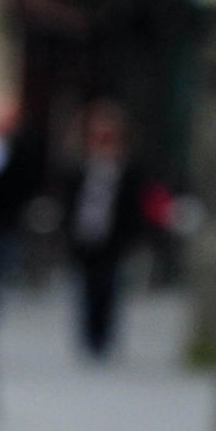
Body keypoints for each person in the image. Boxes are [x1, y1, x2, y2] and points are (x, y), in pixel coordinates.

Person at [63, 99, 149, 359]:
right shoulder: (80, 167)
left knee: (109, 288)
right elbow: (69, 201)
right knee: (86, 287)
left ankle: (104, 337)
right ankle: (89, 335)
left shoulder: (126, 169)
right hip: (85, 238)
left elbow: (133, 206)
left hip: (113, 240)